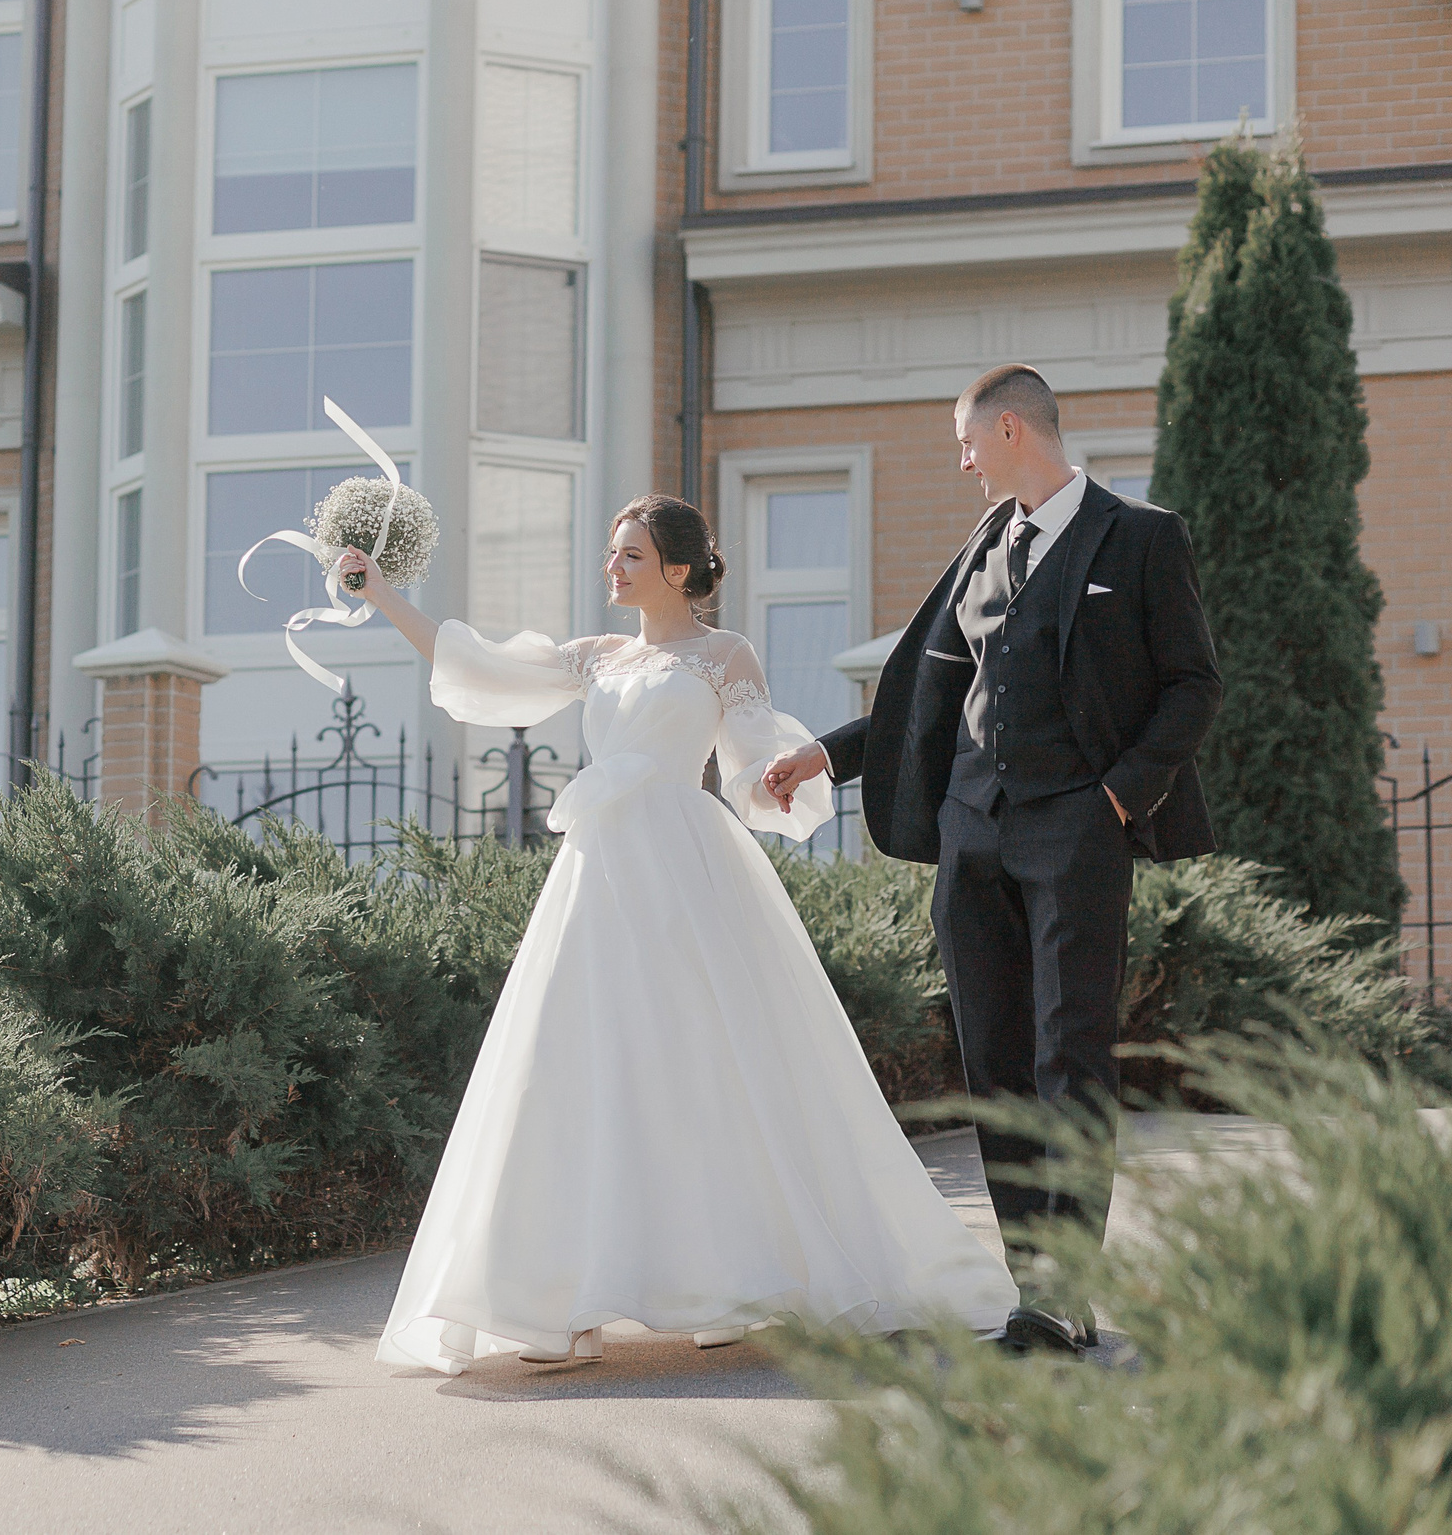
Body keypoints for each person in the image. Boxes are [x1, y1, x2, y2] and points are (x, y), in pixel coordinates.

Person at [354, 493, 1017, 1375]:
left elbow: (750, 760)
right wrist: (383, 594)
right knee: (570, 1065)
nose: (612, 567)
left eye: (630, 554)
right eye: (611, 552)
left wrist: (779, 777)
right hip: (595, 878)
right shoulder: (595, 656)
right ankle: (557, 1306)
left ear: (677, 566)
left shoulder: (721, 654)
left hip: (686, 869)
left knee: (704, 1064)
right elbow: (474, 665)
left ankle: (726, 1286)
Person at [762, 363, 1221, 1358]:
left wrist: (1116, 796)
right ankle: (1032, 1289)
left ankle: (1067, 1290)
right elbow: (926, 698)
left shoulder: (1139, 537)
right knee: (996, 1064)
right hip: (973, 836)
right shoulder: (983, 546)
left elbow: (1192, 685)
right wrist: (826, 756)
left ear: (1011, 429)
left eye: (968, 441)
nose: (962, 459)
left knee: (1068, 1057)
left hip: (1077, 830)